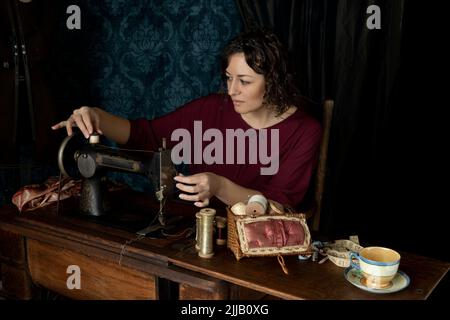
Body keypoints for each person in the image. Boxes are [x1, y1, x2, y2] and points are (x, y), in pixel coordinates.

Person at [52, 29, 322, 209]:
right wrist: (96, 116)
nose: (232, 91)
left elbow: (279, 206)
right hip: (195, 233)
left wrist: (219, 186)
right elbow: (145, 134)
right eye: (229, 78)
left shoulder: (304, 131)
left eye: (245, 81)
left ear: (274, 82)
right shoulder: (209, 110)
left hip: (255, 244)